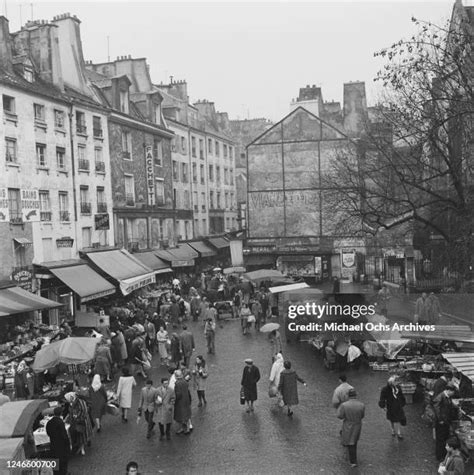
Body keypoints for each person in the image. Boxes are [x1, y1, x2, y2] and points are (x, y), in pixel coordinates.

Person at [337, 388, 365, 468]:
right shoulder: (361, 405)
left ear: (349, 396)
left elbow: (340, 416)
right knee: (354, 441)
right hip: (357, 425)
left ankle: (353, 461)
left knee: (350, 442)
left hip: (348, 425)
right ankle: (353, 459)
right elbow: (362, 415)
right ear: (356, 395)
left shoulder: (344, 405)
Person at [433, 384, 459, 461]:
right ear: (449, 390)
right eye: (453, 392)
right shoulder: (441, 397)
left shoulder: (447, 397)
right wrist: (440, 419)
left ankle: (443, 454)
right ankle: (439, 456)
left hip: (446, 421)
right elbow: (436, 409)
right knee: (440, 439)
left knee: (444, 438)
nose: (453, 394)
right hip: (441, 422)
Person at [66, 391, 93, 456]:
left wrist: (77, 417)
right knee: (80, 435)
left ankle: (82, 448)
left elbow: (84, 411)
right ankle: (82, 446)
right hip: (77, 421)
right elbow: (70, 412)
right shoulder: (71, 403)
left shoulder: (81, 402)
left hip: (82, 421)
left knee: (82, 434)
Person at [46, 406, 70, 475]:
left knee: (55, 461)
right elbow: (64, 435)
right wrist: (67, 444)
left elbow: (48, 433)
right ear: (61, 414)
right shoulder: (60, 422)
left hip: (53, 444)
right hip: (61, 445)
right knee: (63, 462)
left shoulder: (49, 422)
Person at [174, 370, 192, 435]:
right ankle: (186, 428)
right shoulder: (185, 381)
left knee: (181, 416)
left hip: (180, 402)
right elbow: (188, 391)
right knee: (186, 415)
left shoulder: (177, 383)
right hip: (186, 400)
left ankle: (185, 429)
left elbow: (178, 394)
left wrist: (175, 400)